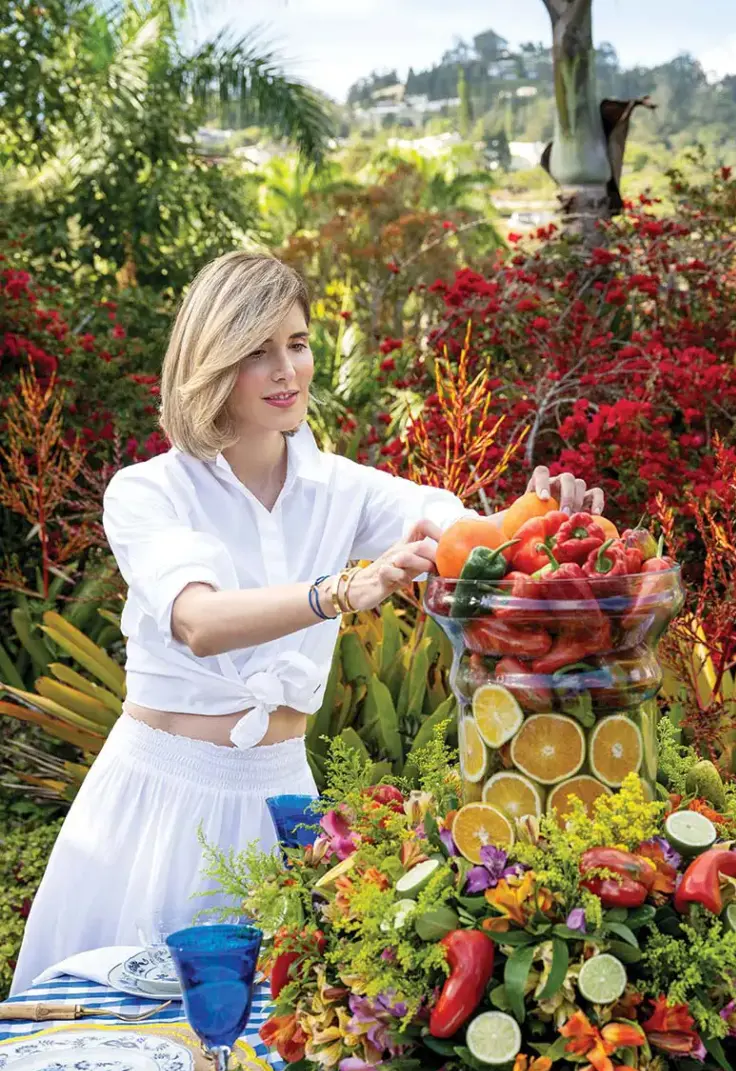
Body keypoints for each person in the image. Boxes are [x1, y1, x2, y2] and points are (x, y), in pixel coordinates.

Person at [11, 250, 604, 994]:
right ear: (212, 363)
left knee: (278, 1047)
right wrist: (340, 592)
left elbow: (465, 536)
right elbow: (198, 621)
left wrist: (544, 519)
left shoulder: (340, 488)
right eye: (258, 352)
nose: (286, 370)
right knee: (132, 1054)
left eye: (296, 343)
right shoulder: (148, 491)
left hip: (283, 803)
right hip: (159, 807)